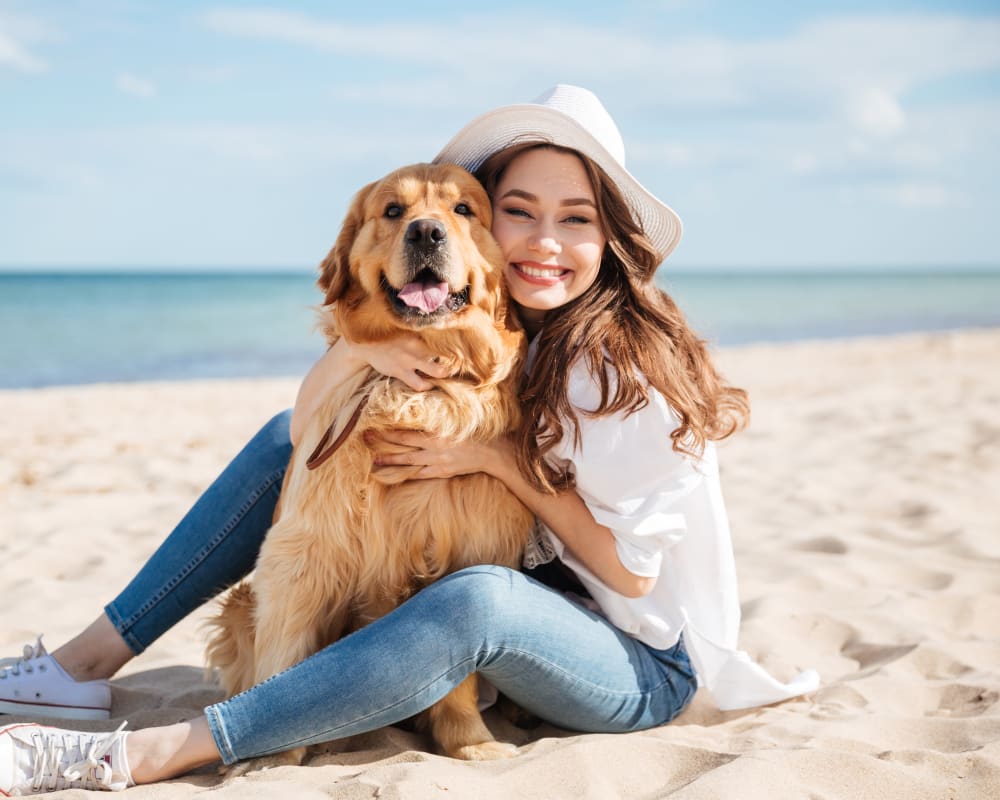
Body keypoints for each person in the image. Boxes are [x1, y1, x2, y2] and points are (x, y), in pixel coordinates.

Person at [0, 85, 819, 794]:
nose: (543, 242)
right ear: (488, 233)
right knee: (280, 443)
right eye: (518, 213)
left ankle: (157, 751)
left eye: (575, 220)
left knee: (473, 597)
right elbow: (306, 426)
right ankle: (82, 665)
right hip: (534, 633)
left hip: (639, 662)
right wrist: (365, 344)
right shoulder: (508, 338)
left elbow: (631, 579)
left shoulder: (621, 371)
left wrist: (497, 459)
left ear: (610, 241)